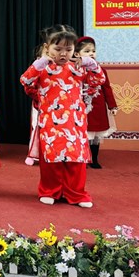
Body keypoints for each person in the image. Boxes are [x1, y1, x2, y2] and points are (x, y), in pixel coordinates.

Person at [20, 24, 105, 208]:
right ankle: (49, 190)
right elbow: (26, 82)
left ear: (74, 50)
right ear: (47, 48)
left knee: (76, 160)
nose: (63, 53)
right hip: (50, 121)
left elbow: (98, 81)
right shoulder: (42, 69)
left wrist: (91, 64)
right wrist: (40, 64)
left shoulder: (78, 68)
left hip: (75, 122)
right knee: (51, 160)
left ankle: (77, 193)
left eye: (68, 49)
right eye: (58, 49)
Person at [75, 36, 118, 169]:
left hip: (98, 108)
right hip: (81, 107)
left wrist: (112, 106)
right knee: (83, 134)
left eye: (93, 51)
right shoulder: (76, 70)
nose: (91, 54)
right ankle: (83, 159)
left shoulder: (101, 70)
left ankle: (94, 159)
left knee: (95, 135)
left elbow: (107, 89)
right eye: (87, 51)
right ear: (77, 54)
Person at [25, 45, 47, 167]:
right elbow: (28, 86)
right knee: (36, 129)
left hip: (56, 107)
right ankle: (32, 154)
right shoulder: (37, 70)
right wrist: (39, 97)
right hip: (39, 105)